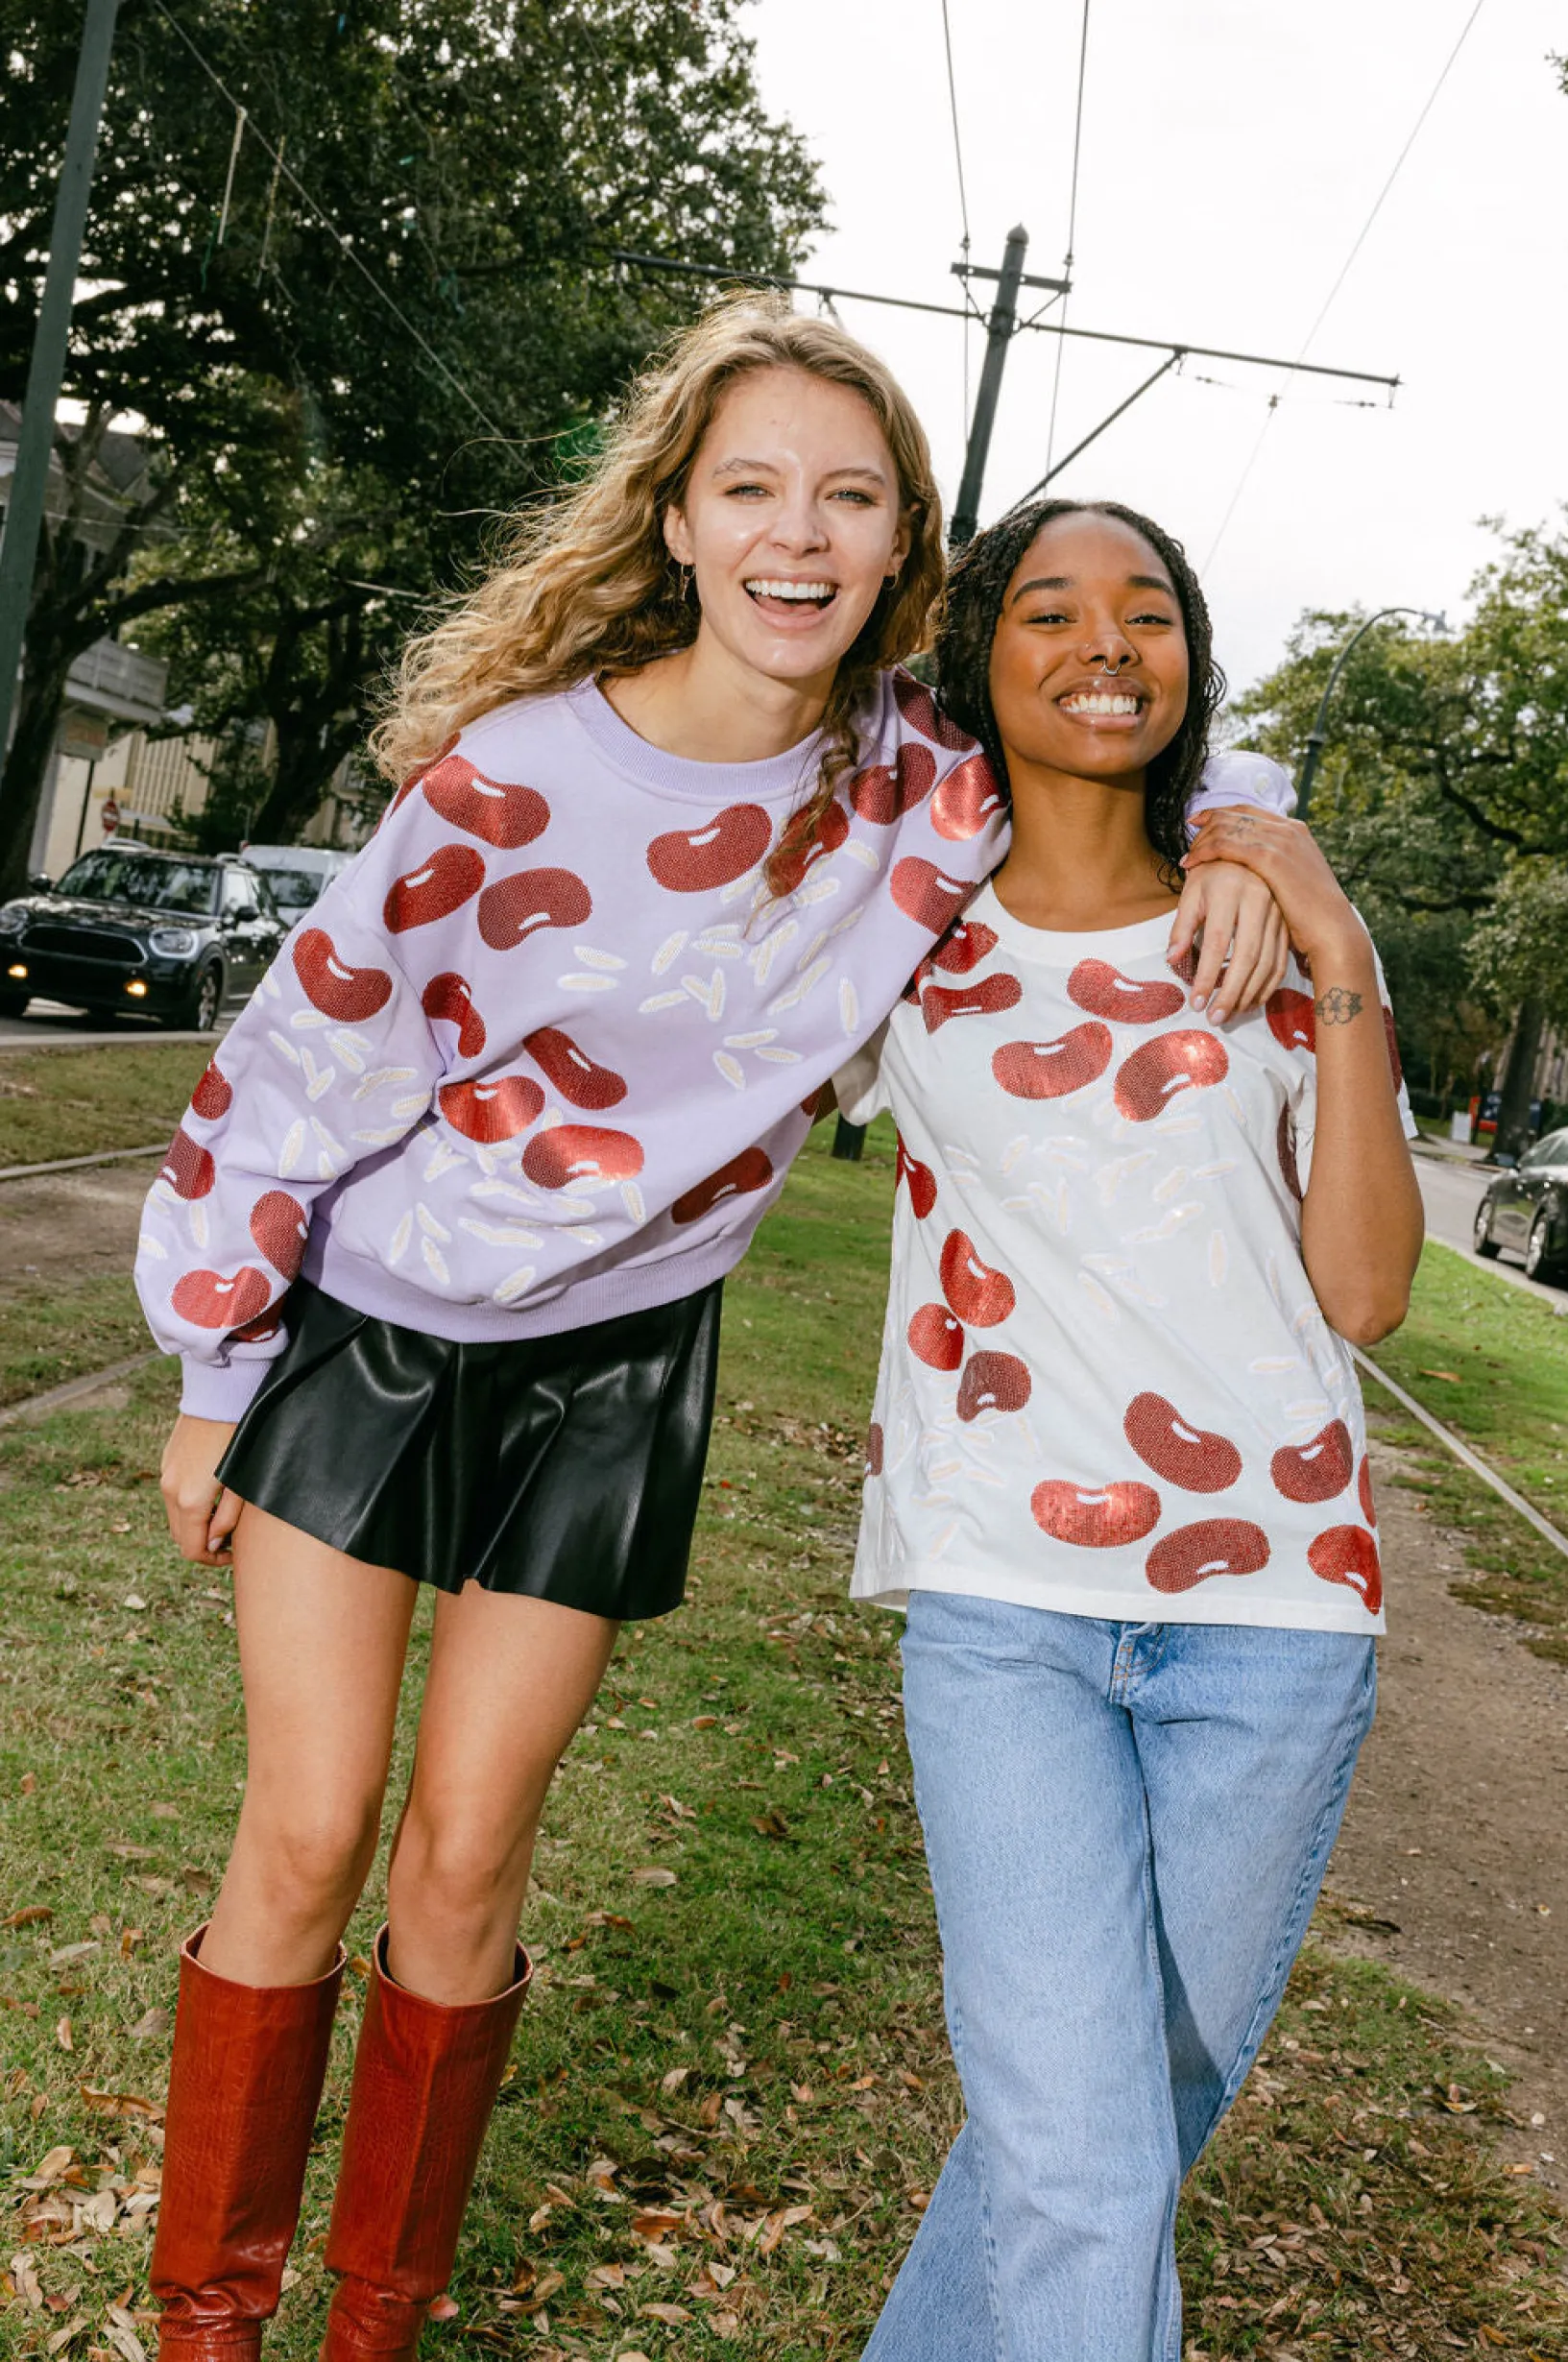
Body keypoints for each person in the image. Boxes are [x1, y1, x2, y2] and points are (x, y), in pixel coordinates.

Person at [135, 305, 1295, 2362]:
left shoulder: (918, 794)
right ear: (677, 517)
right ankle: (209, 2318)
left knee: (468, 1854)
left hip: (616, 1369)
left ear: (899, 553)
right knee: (308, 1831)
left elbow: (1134, 721)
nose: (798, 532)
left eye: (848, 498)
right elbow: (297, 1067)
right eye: (751, 487)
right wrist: (222, 1365)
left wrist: (1251, 831)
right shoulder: (513, 778)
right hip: (368, 1340)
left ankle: (370, 2318)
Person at [837, 497, 1423, 2362]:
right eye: (1053, 613)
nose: (1105, 646)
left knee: (1094, 2145)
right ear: (975, 661)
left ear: (1190, 659)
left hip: (1276, 1618)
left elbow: (1366, 1294)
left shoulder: (1271, 927)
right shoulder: (898, 921)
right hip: (1003, 1603)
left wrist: (1333, 946)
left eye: (1147, 612)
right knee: (1083, 2170)